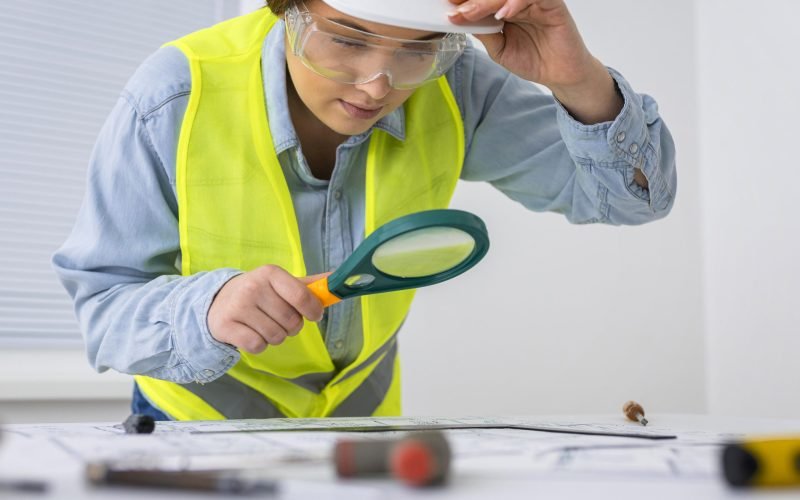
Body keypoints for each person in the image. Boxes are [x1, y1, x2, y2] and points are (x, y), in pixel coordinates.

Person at [53, 0, 676, 421]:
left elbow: (634, 199)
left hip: (364, 421)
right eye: (348, 39)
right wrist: (207, 310)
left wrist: (575, 78)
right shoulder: (171, 96)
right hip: (195, 425)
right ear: (288, 10)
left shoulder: (455, 80)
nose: (378, 84)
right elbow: (104, 312)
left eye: (417, 48)